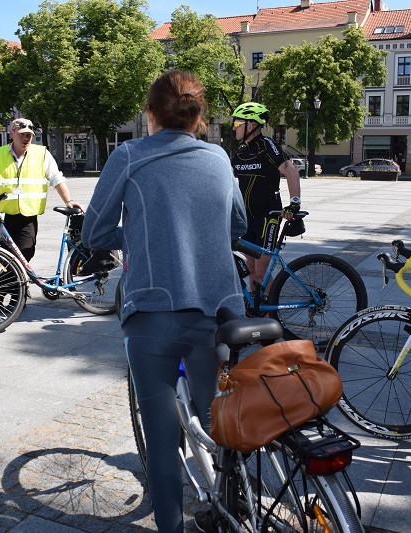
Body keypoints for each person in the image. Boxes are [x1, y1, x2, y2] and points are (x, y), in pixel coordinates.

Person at [81, 70, 246, 533]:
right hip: (215, 310)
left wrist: (140, 234)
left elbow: (94, 232)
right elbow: (237, 225)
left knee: (160, 439)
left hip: (152, 313)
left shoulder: (129, 155)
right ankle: (236, 508)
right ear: (199, 114)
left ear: (149, 113)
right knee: (219, 422)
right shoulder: (218, 157)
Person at [0, 118, 82, 263]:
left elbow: (57, 179)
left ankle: (12, 279)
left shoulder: (41, 154)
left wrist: (68, 201)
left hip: (27, 216)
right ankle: (14, 279)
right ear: (12, 134)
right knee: (4, 258)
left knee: (25, 254)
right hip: (2, 215)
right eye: (22, 134)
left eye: (29, 135)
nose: (26, 138)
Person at [230, 102, 301, 305]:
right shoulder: (241, 152)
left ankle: (272, 312)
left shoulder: (267, 145)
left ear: (251, 124)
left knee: (262, 270)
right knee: (251, 268)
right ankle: (257, 310)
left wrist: (294, 203)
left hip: (267, 216)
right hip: (247, 218)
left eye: (238, 123)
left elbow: (291, 171)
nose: (234, 127)